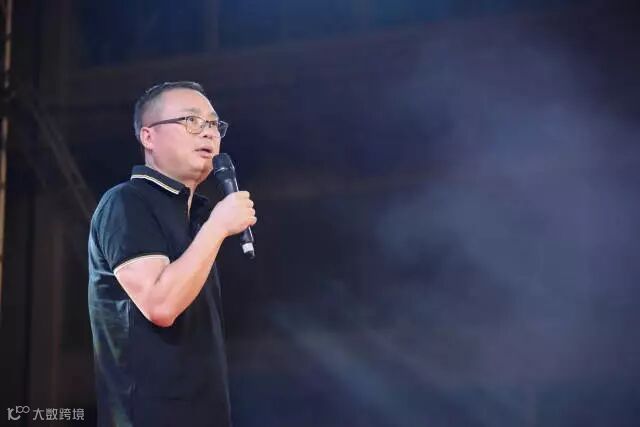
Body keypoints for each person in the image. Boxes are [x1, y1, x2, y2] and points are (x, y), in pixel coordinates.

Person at [87, 81, 256, 426]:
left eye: (213, 124)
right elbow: (160, 305)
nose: (208, 132)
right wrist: (218, 226)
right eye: (191, 121)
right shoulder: (126, 202)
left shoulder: (195, 218)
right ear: (148, 137)